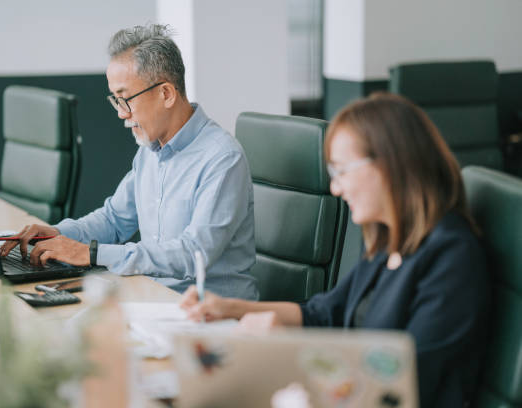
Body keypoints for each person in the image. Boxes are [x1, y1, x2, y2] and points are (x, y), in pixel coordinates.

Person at [180, 93, 490, 407]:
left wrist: (287, 350)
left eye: (341, 171)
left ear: (389, 164)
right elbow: (324, 313)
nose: (335, 188)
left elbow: (403, 383)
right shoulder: (390, 241)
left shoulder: (452, 256)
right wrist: (228, 308)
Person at [0, 24, 258, 300]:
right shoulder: (150, 150)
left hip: (211, 317)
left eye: (126, 99)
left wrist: (91, 254)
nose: (122, 114)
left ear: (166, 94)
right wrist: (56, 234)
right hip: (154, 300)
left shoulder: (222, 158)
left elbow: (192, 254)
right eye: (116, 100)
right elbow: (113, 219)